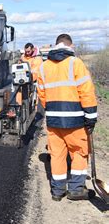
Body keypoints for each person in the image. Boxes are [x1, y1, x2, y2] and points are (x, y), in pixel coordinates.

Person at [36, 34, 97, 201]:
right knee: (79, 152)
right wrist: (91, 117)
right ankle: (76, 189)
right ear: (71, 46)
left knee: (57, 154)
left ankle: (57, 191)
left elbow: (42, 94)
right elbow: (86, 92)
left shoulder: (44, 66)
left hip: (54, 119)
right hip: (75, 119)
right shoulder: (75, 63)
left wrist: (53, 109)